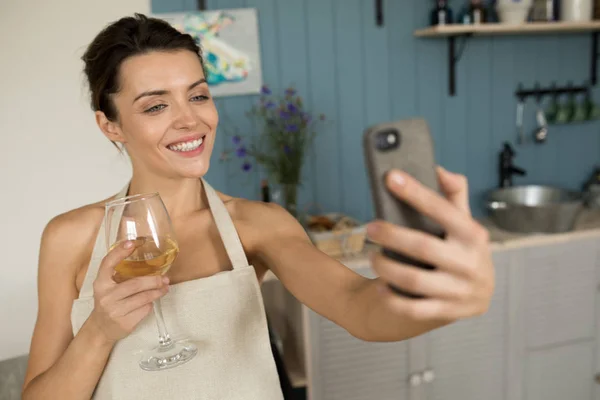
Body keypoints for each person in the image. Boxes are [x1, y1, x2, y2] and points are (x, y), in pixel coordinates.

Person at [21, 13, 495, 400]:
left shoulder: (258, 225)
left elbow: (359, 308)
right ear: (111, 126)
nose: (190, 120)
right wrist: (100, 331)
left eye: (199, 95)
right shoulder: (70, 238)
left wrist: (439, 299)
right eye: (155, 106)